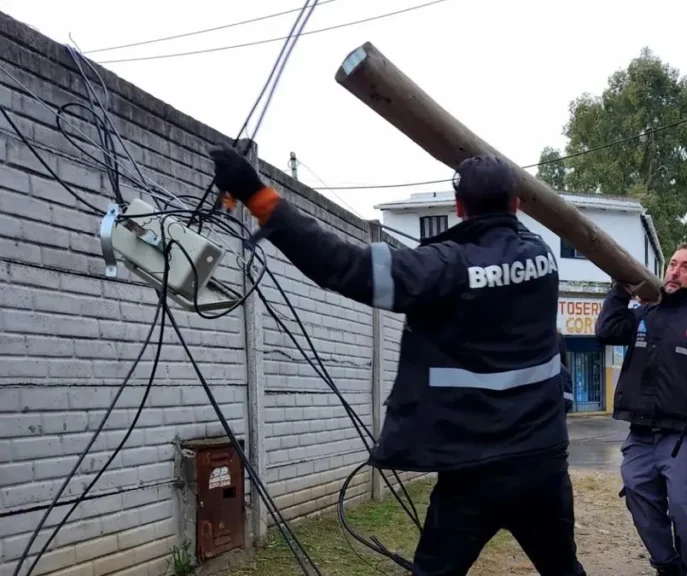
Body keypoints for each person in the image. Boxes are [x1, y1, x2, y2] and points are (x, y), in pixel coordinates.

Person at [209, 147, 586, 576]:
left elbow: (341, 265)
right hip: (542, 460)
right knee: (563, 570)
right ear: (516, 205)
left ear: (459, 208)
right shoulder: (543, 260)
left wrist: (256, 195)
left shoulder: (445, 268)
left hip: (474, 466)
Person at [596, 243, 687, 576]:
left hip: (682, 434)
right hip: (640, 432)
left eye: (686, 267)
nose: (676, 271)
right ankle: (667, 566)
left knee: (686, 506)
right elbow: (607, 331)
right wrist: (620, 290)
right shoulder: (646, 314)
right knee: (636, 490)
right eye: (673, 264)